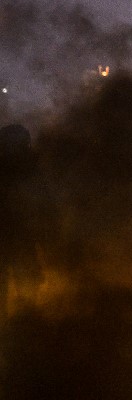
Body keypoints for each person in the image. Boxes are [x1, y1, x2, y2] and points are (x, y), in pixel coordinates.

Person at [0, 124, 50, 320]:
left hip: (18, 239)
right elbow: (46, 207)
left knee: (25, 283)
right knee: (26, 284)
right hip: (19, 239)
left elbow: (45, 207)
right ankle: (24, 329)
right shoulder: (30, 169)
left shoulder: (30, 169)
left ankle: (21, 328)